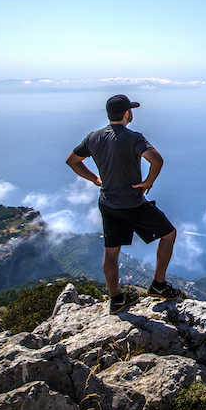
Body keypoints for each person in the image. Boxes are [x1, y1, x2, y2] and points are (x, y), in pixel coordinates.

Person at [65, 94, 183, 313]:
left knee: (111, 252)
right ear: (127, 113)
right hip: (133, 203)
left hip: (108, 203)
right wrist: (148, 181)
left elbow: (72, 161)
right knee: (169, 234)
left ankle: (116, 298)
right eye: (131, 110)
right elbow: (156, 160)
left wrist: (94, 179)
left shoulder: (93, 137)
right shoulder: (134, 138)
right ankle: (158, 284)